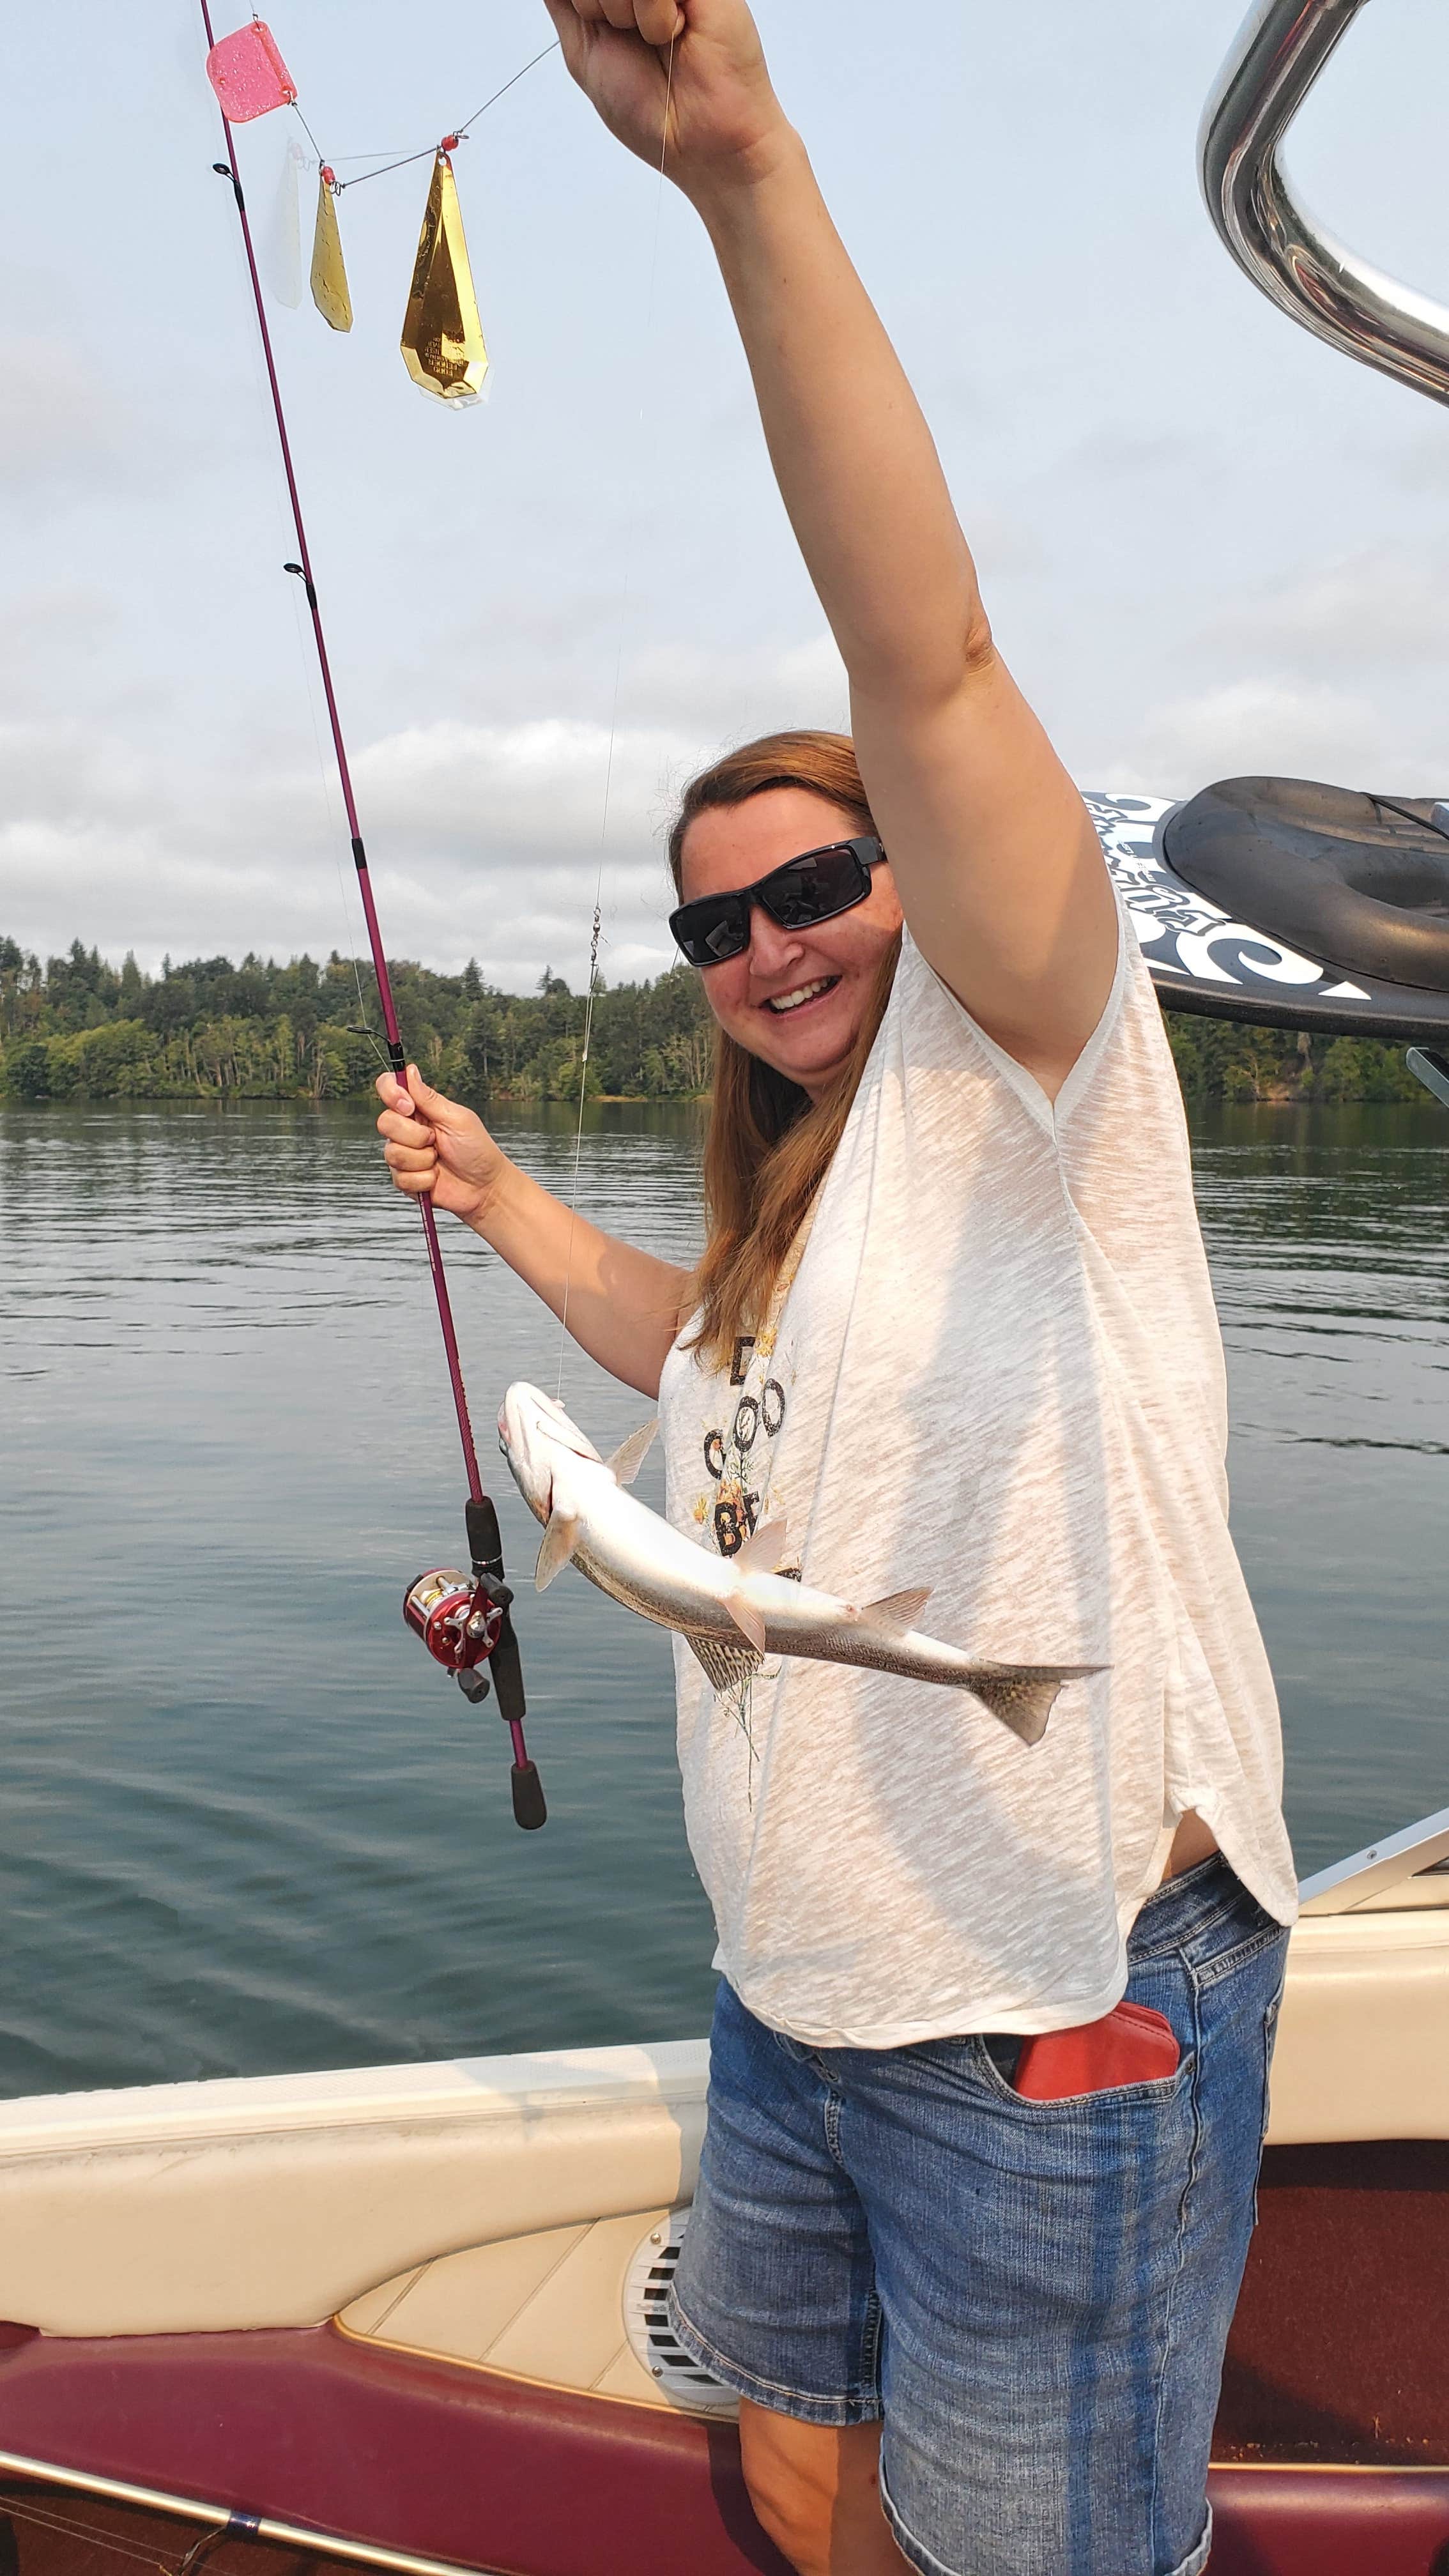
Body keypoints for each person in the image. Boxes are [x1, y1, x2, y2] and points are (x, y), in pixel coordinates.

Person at [376, 6, 1298, 2570]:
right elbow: (705, 1374)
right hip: (796, 1988)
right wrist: (494, 1197)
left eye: (817, 883)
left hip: (1043, 1998)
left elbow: (936, 659)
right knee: (795, 2460)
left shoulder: (1030, 1058)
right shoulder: (801, 1205)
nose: (768, 941)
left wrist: (741, 171)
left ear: (916, 873)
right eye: (714, 919)